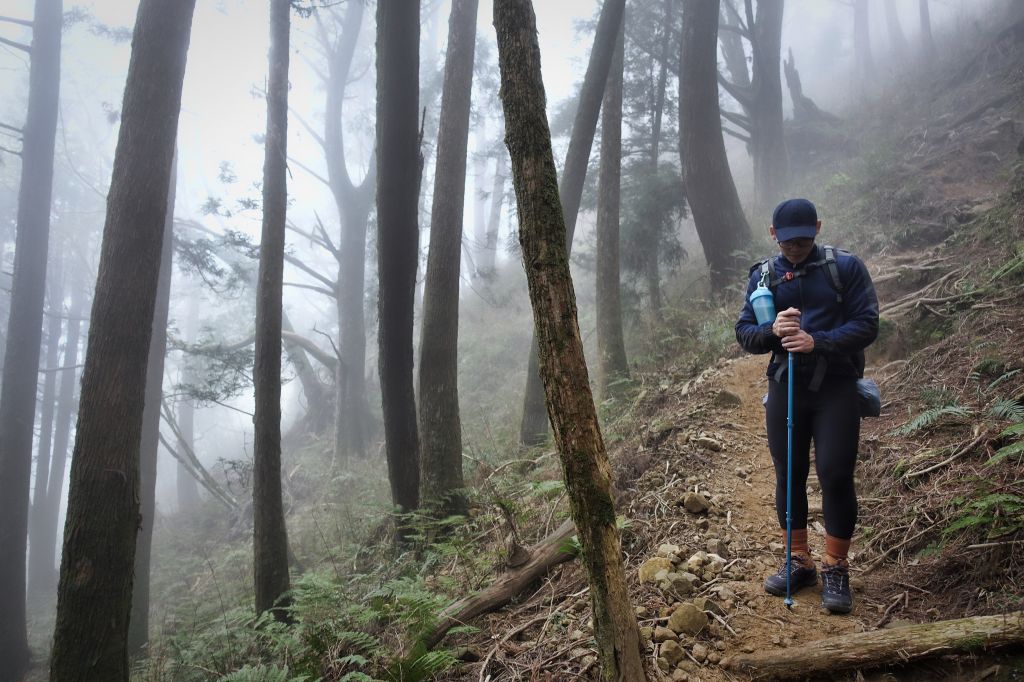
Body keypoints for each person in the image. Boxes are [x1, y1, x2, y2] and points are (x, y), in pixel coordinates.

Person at [735, 198, 879, 614]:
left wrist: (820, 341)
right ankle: (799, 560)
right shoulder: (764, 275)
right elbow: (744, 332)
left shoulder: (844, 268)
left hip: (835, 384)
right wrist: (770, 331)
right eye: (786, 241)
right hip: (786, 384)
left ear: (817, 227)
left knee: (834, 473)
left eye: (802, 239)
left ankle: (836, 565)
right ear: (772, 234)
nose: (794, 248)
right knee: (789, 471)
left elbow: (868, 323)